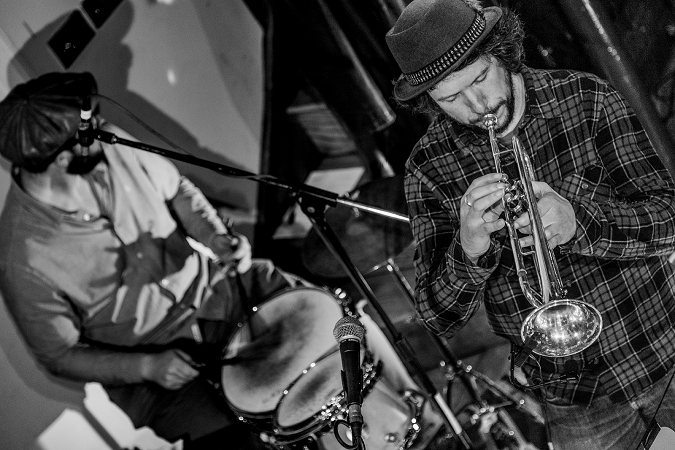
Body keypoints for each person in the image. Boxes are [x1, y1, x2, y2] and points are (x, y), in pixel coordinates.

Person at [385, 0, 675, 449]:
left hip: (660, 345)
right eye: (451, 99)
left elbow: (669, 218)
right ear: (430, 102)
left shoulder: (586, 98)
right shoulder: (429, 167)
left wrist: (580, 223)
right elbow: (438, 316)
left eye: (480, 78)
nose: (478, 104)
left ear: (501, 52)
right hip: (571, 391)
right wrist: (469, 249)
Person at [0, 71, 309, 449]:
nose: (100, 127)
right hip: (154, 363)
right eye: (89, 128)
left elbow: (176, 188)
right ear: (63, 158)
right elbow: (59, 355)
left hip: (217, 292)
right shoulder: (23, 257)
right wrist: (147, 367)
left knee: (327, 329)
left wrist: (215, 237)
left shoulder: (112, 145)